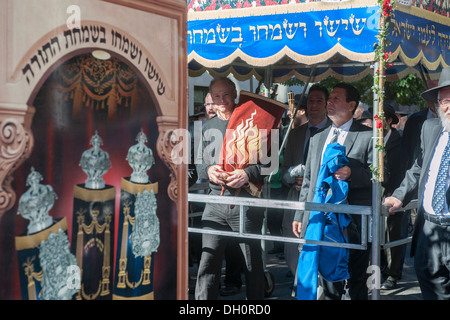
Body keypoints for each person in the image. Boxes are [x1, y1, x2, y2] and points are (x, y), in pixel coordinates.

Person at [293, 82, 374, 300]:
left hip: (354, 223)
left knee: (356, 281)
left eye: (336, 99)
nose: (329, 102)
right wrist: (301, 214)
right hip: (322, 219)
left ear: (351, 105)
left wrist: (352, 173)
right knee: (328, 281)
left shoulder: (368, 136)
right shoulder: (318, 137)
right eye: (330, 99)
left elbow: (380, 177)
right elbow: (309, 180)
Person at [194, 77, 266, 300]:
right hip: (215, 203)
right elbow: (199, 163)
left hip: (246, 202)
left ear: (235, 94)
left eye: (226, 94)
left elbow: (269, 163)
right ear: (211, 100)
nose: (222, 100)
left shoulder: (252, 120)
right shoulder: (206, 126)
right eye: (217, 96)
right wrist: (208, 171)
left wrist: (247, 174)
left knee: (252, 263)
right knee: (208, 260)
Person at [383, 67, 450, 300]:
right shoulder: (430, 128)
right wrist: (399, 195)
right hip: (429, 228)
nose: (447, 107)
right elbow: (418, 169)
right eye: (443, 101)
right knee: (431, 287)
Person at [280, 84, 331, 280]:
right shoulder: (295, 134)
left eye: (319, 101)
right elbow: (284, 172)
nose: (314, 105)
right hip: (295, 199)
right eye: (311, 100)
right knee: (292, 249)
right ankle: (300, 284)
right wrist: (293, 178)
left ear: (326, 104)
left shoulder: (334, 131)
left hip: (322, 200)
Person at [380, 103, 408, 290]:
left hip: (393, 196)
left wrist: (395, 194)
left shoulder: (399, 142)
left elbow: (402, 170)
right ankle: (381, 269)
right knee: (378, 236)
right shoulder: (375, 140)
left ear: (389, 121)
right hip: (375, 196)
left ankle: (393, 273)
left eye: (379, 118)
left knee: (392, 235)